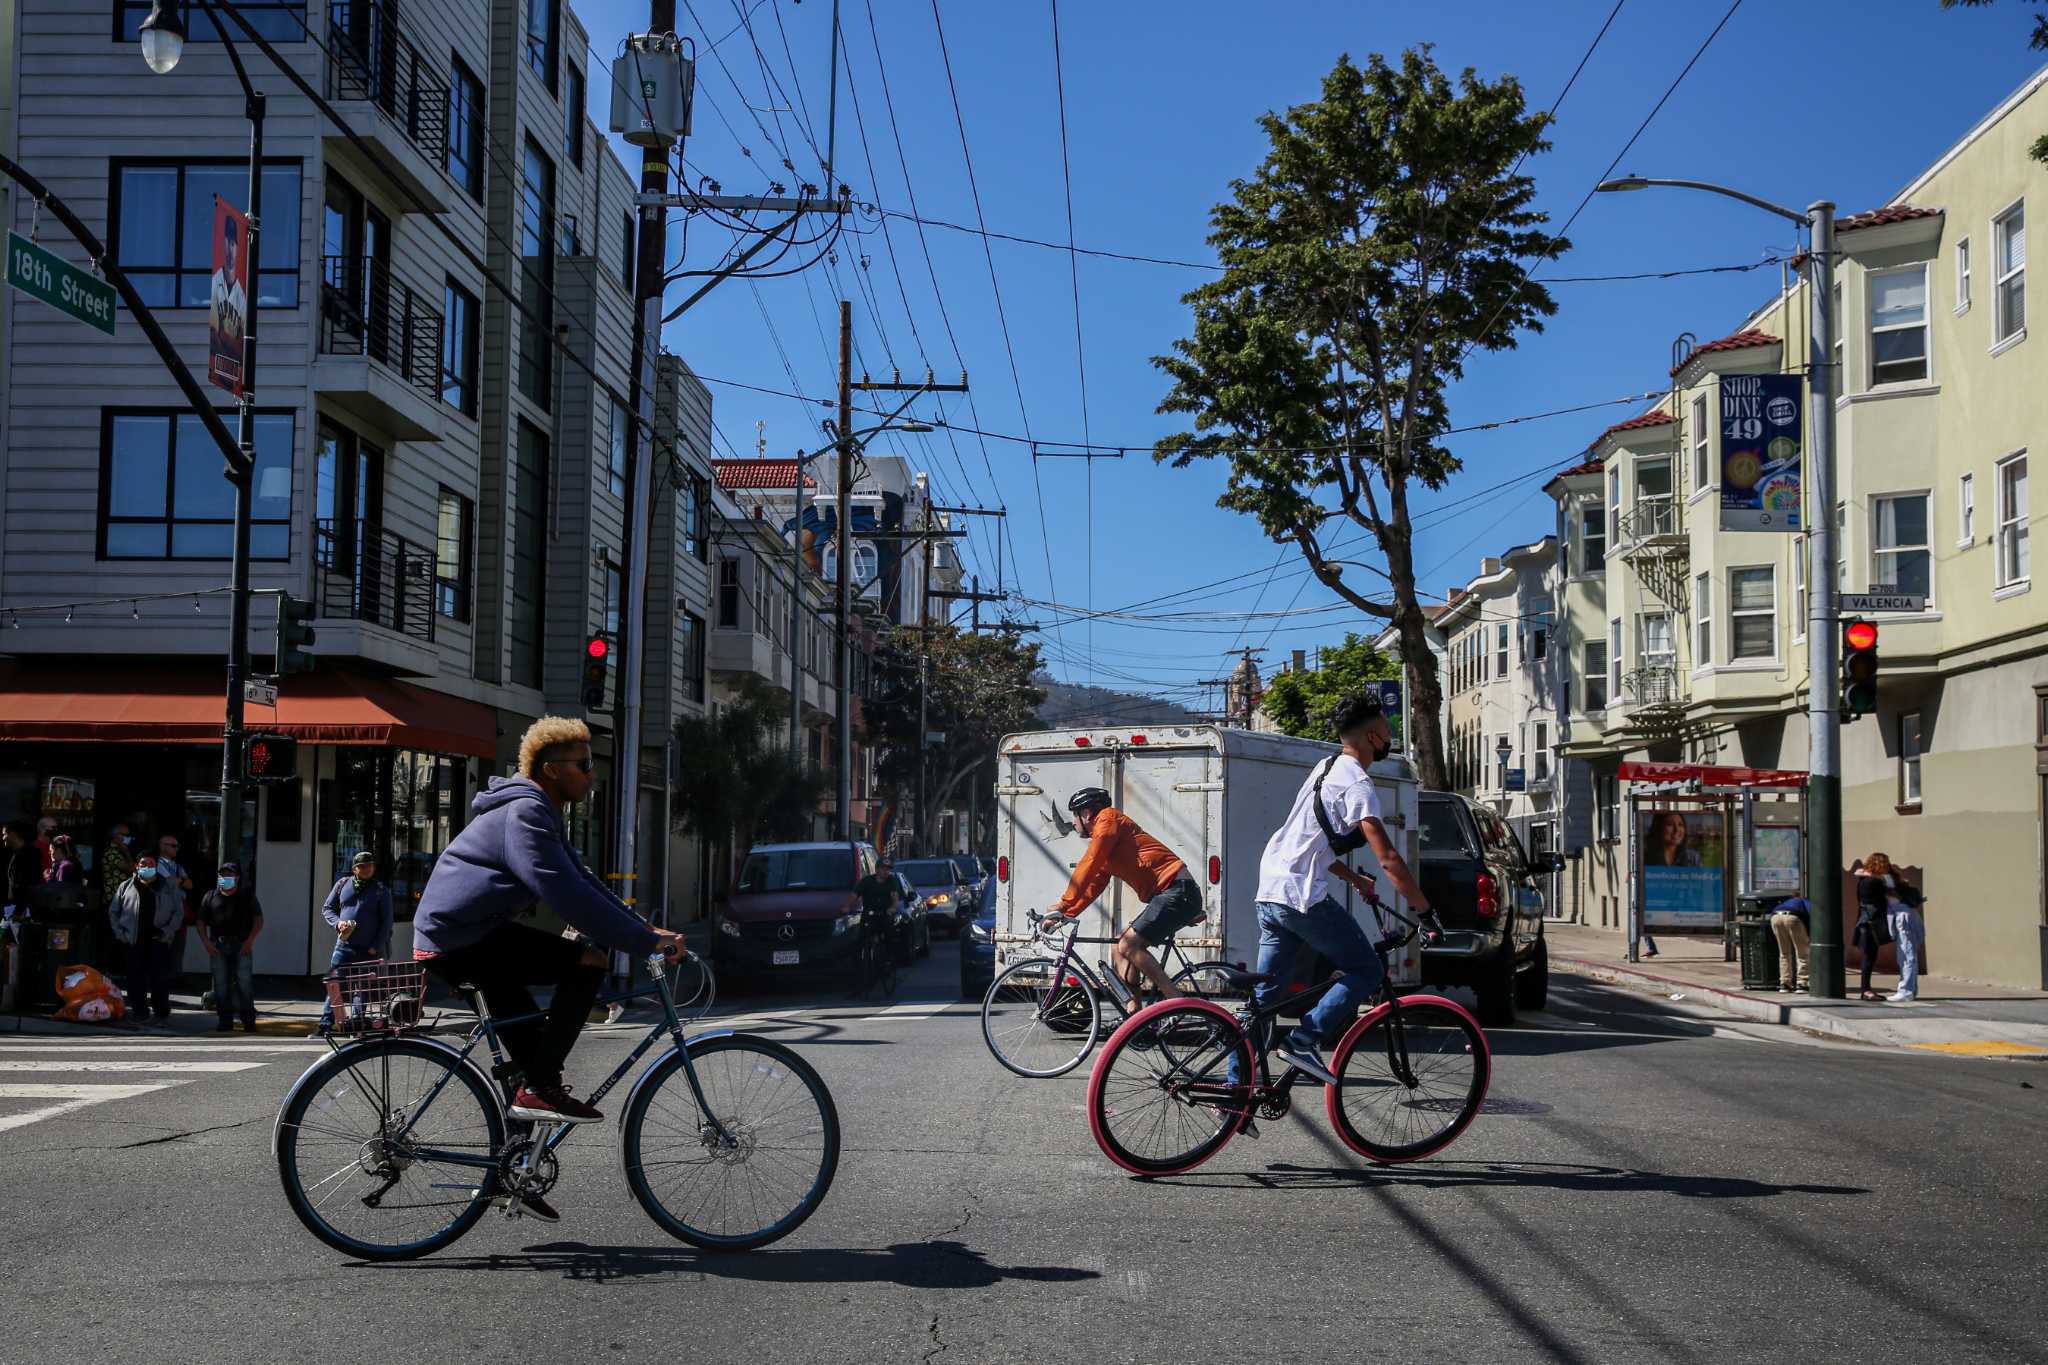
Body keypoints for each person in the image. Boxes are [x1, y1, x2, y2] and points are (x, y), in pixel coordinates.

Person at [413, 717, 685, 1165]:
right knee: (589, 962)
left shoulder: (541, 810)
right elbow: (564, 893)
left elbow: (585, 881)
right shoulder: (526, 812)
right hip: (458, 940)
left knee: (533, 1059)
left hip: (472, 935)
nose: (592, 774)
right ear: (553, 769)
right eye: (584, 764)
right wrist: (640, 942)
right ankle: (539, 1090)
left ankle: (513, 1167)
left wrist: (646, 931)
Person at [1239, 693, 1435, 1085]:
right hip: (1301, 896)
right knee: (1367, 968)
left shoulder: (1326, 768)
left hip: (1273, 889)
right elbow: (1390, 859)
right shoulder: (1359, 784)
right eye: (1386, 724)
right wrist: (1425, 911)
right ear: (1374, 733)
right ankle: (1303, 1040)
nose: (1390, 730)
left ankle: (1237, 1085)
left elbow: (1308, 841)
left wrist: (1353, 878)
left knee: (1264, 1000)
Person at [1043, 788, 1206, 1005]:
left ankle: (1176, 1001)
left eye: (1075, 815)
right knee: (1119, 949)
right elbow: (1093, 885)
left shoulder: (1108, 819)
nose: (1073, 822)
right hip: (1169, 894)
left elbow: (1089, 863)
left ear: (1088, 813)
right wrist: (1065, 913)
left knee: (1129, 945)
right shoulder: (1107, 844)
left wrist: (1063, 904)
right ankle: (1135, 1016)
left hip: (1177, 891)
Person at [317, 850, 392, 1031]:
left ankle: (357, 1023)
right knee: (335, 985)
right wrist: (338, 923)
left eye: (370, 865)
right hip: (344, 945)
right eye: (362, 866)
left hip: (367, 949)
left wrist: (375, 946)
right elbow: (327, 908)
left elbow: (387, 923)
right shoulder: (343, 884)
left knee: (363, 989)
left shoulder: (381, 890)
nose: (367, 869)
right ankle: (326, 1024)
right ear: (354, 869)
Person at [109, 854, 182, 1024]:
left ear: (156, 866)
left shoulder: (168, 886)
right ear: (136, 865)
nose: (147, 866)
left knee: (160, 978)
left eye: (151, 863)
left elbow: (178, 913)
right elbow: (114, 912)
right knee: (135, 978)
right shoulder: (126, 886)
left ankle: (161, 1011)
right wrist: (121, 934)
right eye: (143, 863)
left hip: (159, 938)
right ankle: (139, 1011)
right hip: (133, 939)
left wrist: (168, 932)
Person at [197, 862, 263, 1032]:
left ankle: (248, 1020)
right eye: (222, 875)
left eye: (229, 875)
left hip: (241, 944)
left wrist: (250, 941)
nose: (225, 878)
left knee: (244, 983)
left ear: (237, 878)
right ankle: (225, 1020)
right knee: (221, 985)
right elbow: (200, 921)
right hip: (218, 945)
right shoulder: (210, 896)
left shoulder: (246, 896)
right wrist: (206, 942)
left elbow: (258, 919)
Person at [1855, 853, 1897, 1002]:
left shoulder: (1866, 879)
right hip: (1869, 923)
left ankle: (1866, 990)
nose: (1887, 866)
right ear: (1878, 864)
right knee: (1869, 957)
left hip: (1867, 922)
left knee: (1870, 956)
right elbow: (1893, 889)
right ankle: (1865, 991)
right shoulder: (1873, 881)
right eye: (1885, 863)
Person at [1768, 894, 1812, 994]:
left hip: (1775, 917)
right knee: (1802, 953)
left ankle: (1784, 983)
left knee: (1784, 953)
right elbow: (1811, 917)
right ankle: (1802, 983)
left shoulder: (1787, 902)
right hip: (1793, 918)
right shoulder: (1806, 902)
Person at [4, 820, 40, 914]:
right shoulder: (15, 854)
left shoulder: (30, 856)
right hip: (14, 908)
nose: (3, 838)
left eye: (5, 834)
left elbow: (27, 885)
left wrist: (19, 911)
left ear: (13, 834)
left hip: (22, 910)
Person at [99, 822, 136, 910]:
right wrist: (127, 852)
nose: (127, 838)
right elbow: (131, 869)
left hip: (122, 898)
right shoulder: (112, 852)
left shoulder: (120, 851)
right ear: (115, 835)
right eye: (124, 835)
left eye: (128, 835)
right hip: (114, 898)